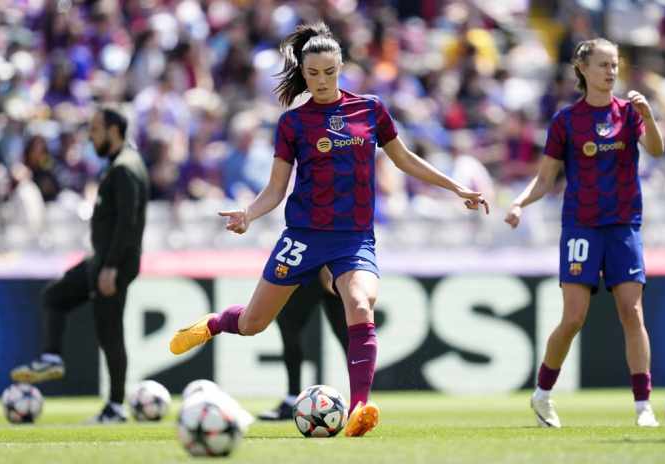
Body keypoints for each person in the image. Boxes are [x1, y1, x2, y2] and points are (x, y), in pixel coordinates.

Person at [169, 22, 489, 437]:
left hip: (352, 239)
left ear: (341, 68)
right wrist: (249, 214)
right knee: (252, 324)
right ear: (303, 72)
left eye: (329, 72)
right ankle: (213, 324)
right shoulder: (293, 124)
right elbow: (275, 189)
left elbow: (405, 159)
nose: (321, 81)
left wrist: (456, 186)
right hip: (302, 238)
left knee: (359, 304)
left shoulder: (370, 109)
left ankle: (359, 408)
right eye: (313, 74)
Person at [505, 38, 664, 428]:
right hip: (582, 226)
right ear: (583, 69)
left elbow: (657, 150)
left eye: (615, 65)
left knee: (632, 311)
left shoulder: (629, 113)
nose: (611, 71)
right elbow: (544, 180)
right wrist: (518, 204)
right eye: (603, 65)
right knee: (574, 317)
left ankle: (643, 406)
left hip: (624, 225)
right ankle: (542, 394)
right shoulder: (566, 121)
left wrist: (650, 115)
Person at [11, 107, 150, 423]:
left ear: (114, 130)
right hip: (101, 259)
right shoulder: (121, 164)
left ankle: (115, 407)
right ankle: (51, 358)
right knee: (54, 296)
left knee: (109, 332)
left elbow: (127, 223)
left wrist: (112, 266)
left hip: (112, 263)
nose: (91, 135)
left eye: (96, 129)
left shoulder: (125, 168)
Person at [258, 270, 348, 421]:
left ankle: (292, 398)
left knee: (288, 322)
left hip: (312, 267)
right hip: (338, 265)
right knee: (349, 334)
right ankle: (362, 401)